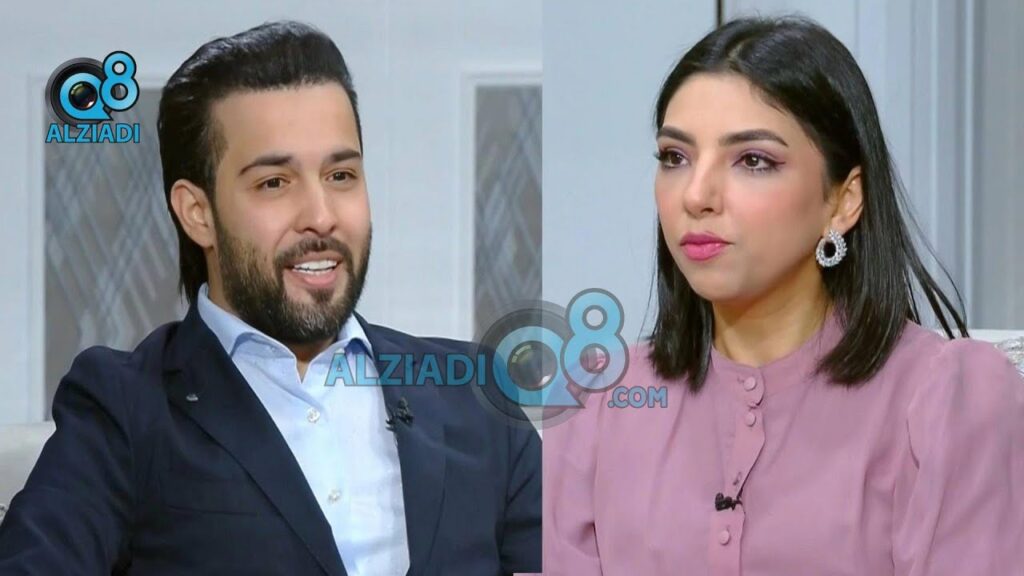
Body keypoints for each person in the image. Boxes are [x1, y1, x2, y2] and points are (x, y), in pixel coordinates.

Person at [0, 21, 540, 575]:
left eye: (341, 175)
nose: (322, 216)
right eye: (274, 183)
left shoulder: (475, 395)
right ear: (198, 213)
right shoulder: (125, 408)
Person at [543, 16, 1023, 575]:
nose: (696, 195)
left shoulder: (947, 403)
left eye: (753, 160)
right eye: (675, 157)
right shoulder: (597, 400)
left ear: (843, 201)